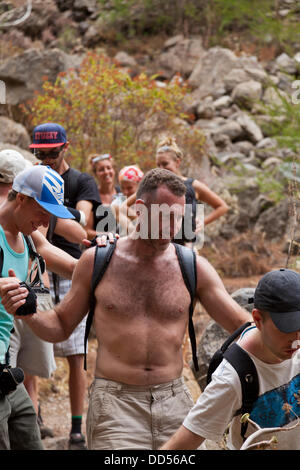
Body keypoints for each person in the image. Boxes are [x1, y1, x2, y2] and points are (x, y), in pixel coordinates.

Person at [0, 168, 251, 450]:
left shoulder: (193, 267)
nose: (174, 227)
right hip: (115, 405)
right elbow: (60, 325)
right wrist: (28, 312)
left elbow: (244, 327)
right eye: (166, 216)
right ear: (141, 210)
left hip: (176, 403)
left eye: (179, 217)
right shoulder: (99, 261)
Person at [160, 268, 300, 450]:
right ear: (257, 319)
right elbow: (183, 443)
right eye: (286, 328)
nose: (296, 337)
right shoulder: (232, 379)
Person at [29, 122, 100, 450]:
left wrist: (51, 207)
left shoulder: (81, 181)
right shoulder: (31, 178)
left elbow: (84, 220)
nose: (45, 159)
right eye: (39, 154)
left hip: (72, 271)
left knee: (75, 354)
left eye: (51, 153)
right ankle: (33, 417)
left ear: (65, 148)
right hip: (37, 269)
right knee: (31, 350)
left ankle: (76, 427)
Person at [0, 164, 78, 450]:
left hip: (6, 371)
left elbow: (71, 265)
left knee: (30, 438)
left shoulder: (28, 237)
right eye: (42, 211)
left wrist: (109, 261)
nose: (45, 221)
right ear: (20, 198)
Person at [122, 137, 229, 247]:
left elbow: (222, 206)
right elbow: (123, 206)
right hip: (160, 247)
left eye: (165, 164)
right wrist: (143, 219)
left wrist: (202, 222)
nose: (161, 168)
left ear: (177, 162)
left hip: (187, 248)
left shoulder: (193, 186)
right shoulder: (154, 186)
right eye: (158, 165)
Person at [87, 153, 122, 239]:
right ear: (96, 174)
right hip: (99, 246)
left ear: (113, 170)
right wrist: (107, 236)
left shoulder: (122, 193)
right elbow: (87, 231)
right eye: (101, 170)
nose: (106, 172)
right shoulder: (92, 197)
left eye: (109, 168)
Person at [111, 165, 144, 236]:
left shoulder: (146, 201)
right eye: (122, 188)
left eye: (129, 188)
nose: (125, 192)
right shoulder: (117, 203)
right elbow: (131, 229)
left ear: (140, 185)